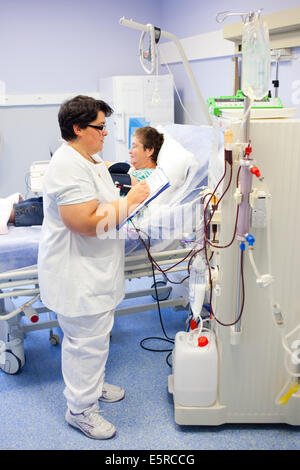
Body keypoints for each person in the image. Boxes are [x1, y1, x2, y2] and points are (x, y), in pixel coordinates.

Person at [37, 95, 150, 440]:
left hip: (94, 268)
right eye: (100, 127)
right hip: (77, 274)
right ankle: (80, 410)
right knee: (85, 342)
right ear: (78, 128)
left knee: (97, 337)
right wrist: (129, 202)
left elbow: (100, 200)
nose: (105, 133)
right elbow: (85, 222)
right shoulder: (67, 166)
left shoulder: (88, 157)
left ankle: (93, 385)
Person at [3, 126, 164, 229]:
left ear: (149, 151)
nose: (129, 151)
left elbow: (124, 183)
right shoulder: (130, 169)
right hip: (100, 202)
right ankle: (8, 208)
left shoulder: (150, 175)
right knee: (44, 202)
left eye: (134, 146)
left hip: (105, 210)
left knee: (47, 208)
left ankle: (8, 213)